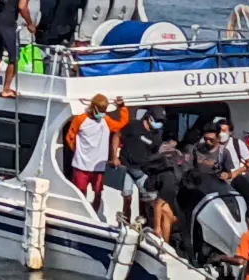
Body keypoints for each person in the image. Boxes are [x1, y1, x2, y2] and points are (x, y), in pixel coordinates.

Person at [116, 106, 179, 242]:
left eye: (161, 121)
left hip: (142, 170)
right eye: (157, 120)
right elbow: (117, 135)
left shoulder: (157, 136)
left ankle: (149, 227)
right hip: (126, 167)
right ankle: (124, 225)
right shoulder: (133, 125)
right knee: (127, 198)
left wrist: (165, 150)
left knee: (151, 201)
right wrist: (113, 157)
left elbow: (153, 153)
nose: (159, 123)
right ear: (148, 117)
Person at [65, 94, 128, 213]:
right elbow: (70, 137)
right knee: (80, 193)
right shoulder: (80, 119)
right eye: (101, 110)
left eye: (104, 111)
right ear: (93, 108)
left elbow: (121, 124)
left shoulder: (106, 120)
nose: (103, 113)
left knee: (98, 193)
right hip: (81, 166)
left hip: (99, 167)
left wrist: (122, 107)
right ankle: (80, 213)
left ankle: (93, 215)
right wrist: (78, 151)